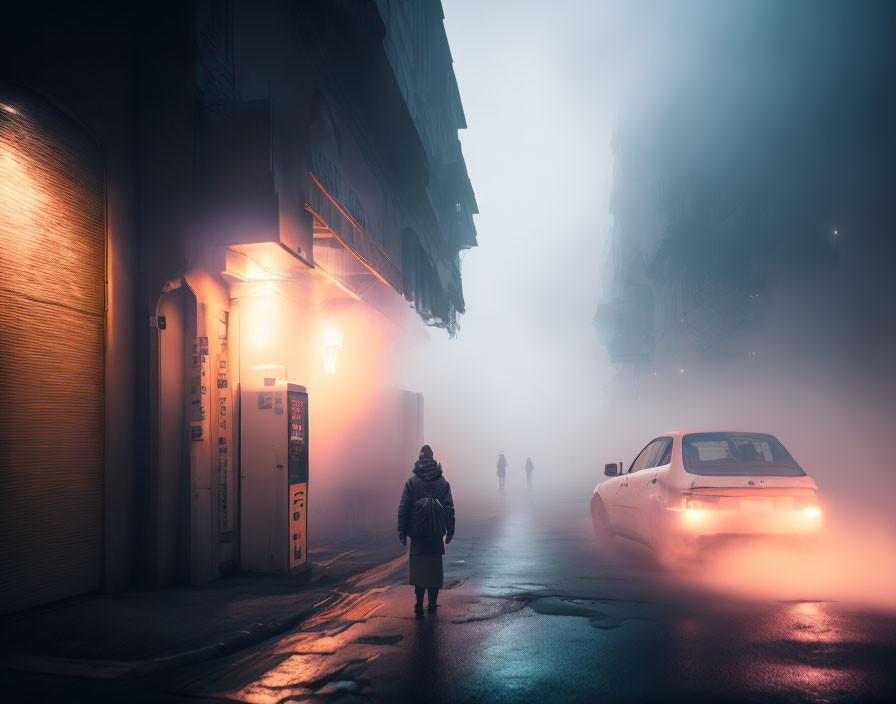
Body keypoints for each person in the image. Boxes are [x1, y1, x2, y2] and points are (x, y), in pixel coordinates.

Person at [397, 445, 455, 616]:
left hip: (417, 536)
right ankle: (432, 604)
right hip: (436, 535)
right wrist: (450, 530)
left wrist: (402, 531)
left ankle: (418, 604)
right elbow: (449, 508)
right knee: (433, 572)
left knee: (419, 572)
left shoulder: (411, 483)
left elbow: (404, 509)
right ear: (433, 458)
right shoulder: (442, 482)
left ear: (420, 459)